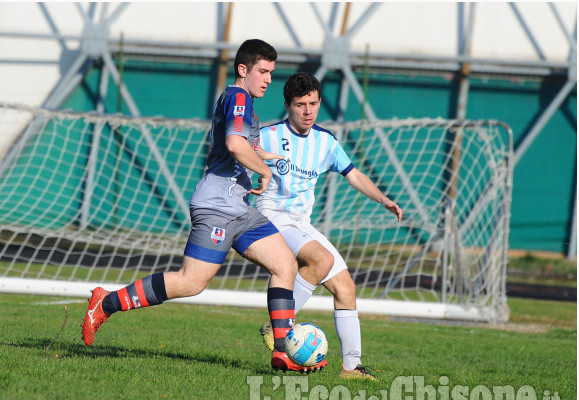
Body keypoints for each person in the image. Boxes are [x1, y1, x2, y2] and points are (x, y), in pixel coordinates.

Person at [81, 40, 327, 373]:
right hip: (217, 208)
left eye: (271, 72)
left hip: (239, 207)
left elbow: (243, 145)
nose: (269, 79)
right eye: (263, 71)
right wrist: (264, 170)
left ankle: (282, 351)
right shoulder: (239, 96)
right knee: (191, 282)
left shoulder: (242, 102)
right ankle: (105, 303)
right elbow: (234, 143)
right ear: (243, 70)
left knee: (286, 266)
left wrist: (267, 156)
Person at [256, 72, 402, 380]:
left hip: (301, 222)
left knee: (346, 287)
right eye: (300, 105)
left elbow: (353, 174)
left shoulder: (326, 142)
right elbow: (237, 151)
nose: (308, 111)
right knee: (320, 260)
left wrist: (383, 199)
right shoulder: (267, 135)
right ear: (287, 105)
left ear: (320, 102)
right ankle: (279, 323)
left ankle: (351, 367)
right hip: (272, 215)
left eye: (313, 103)